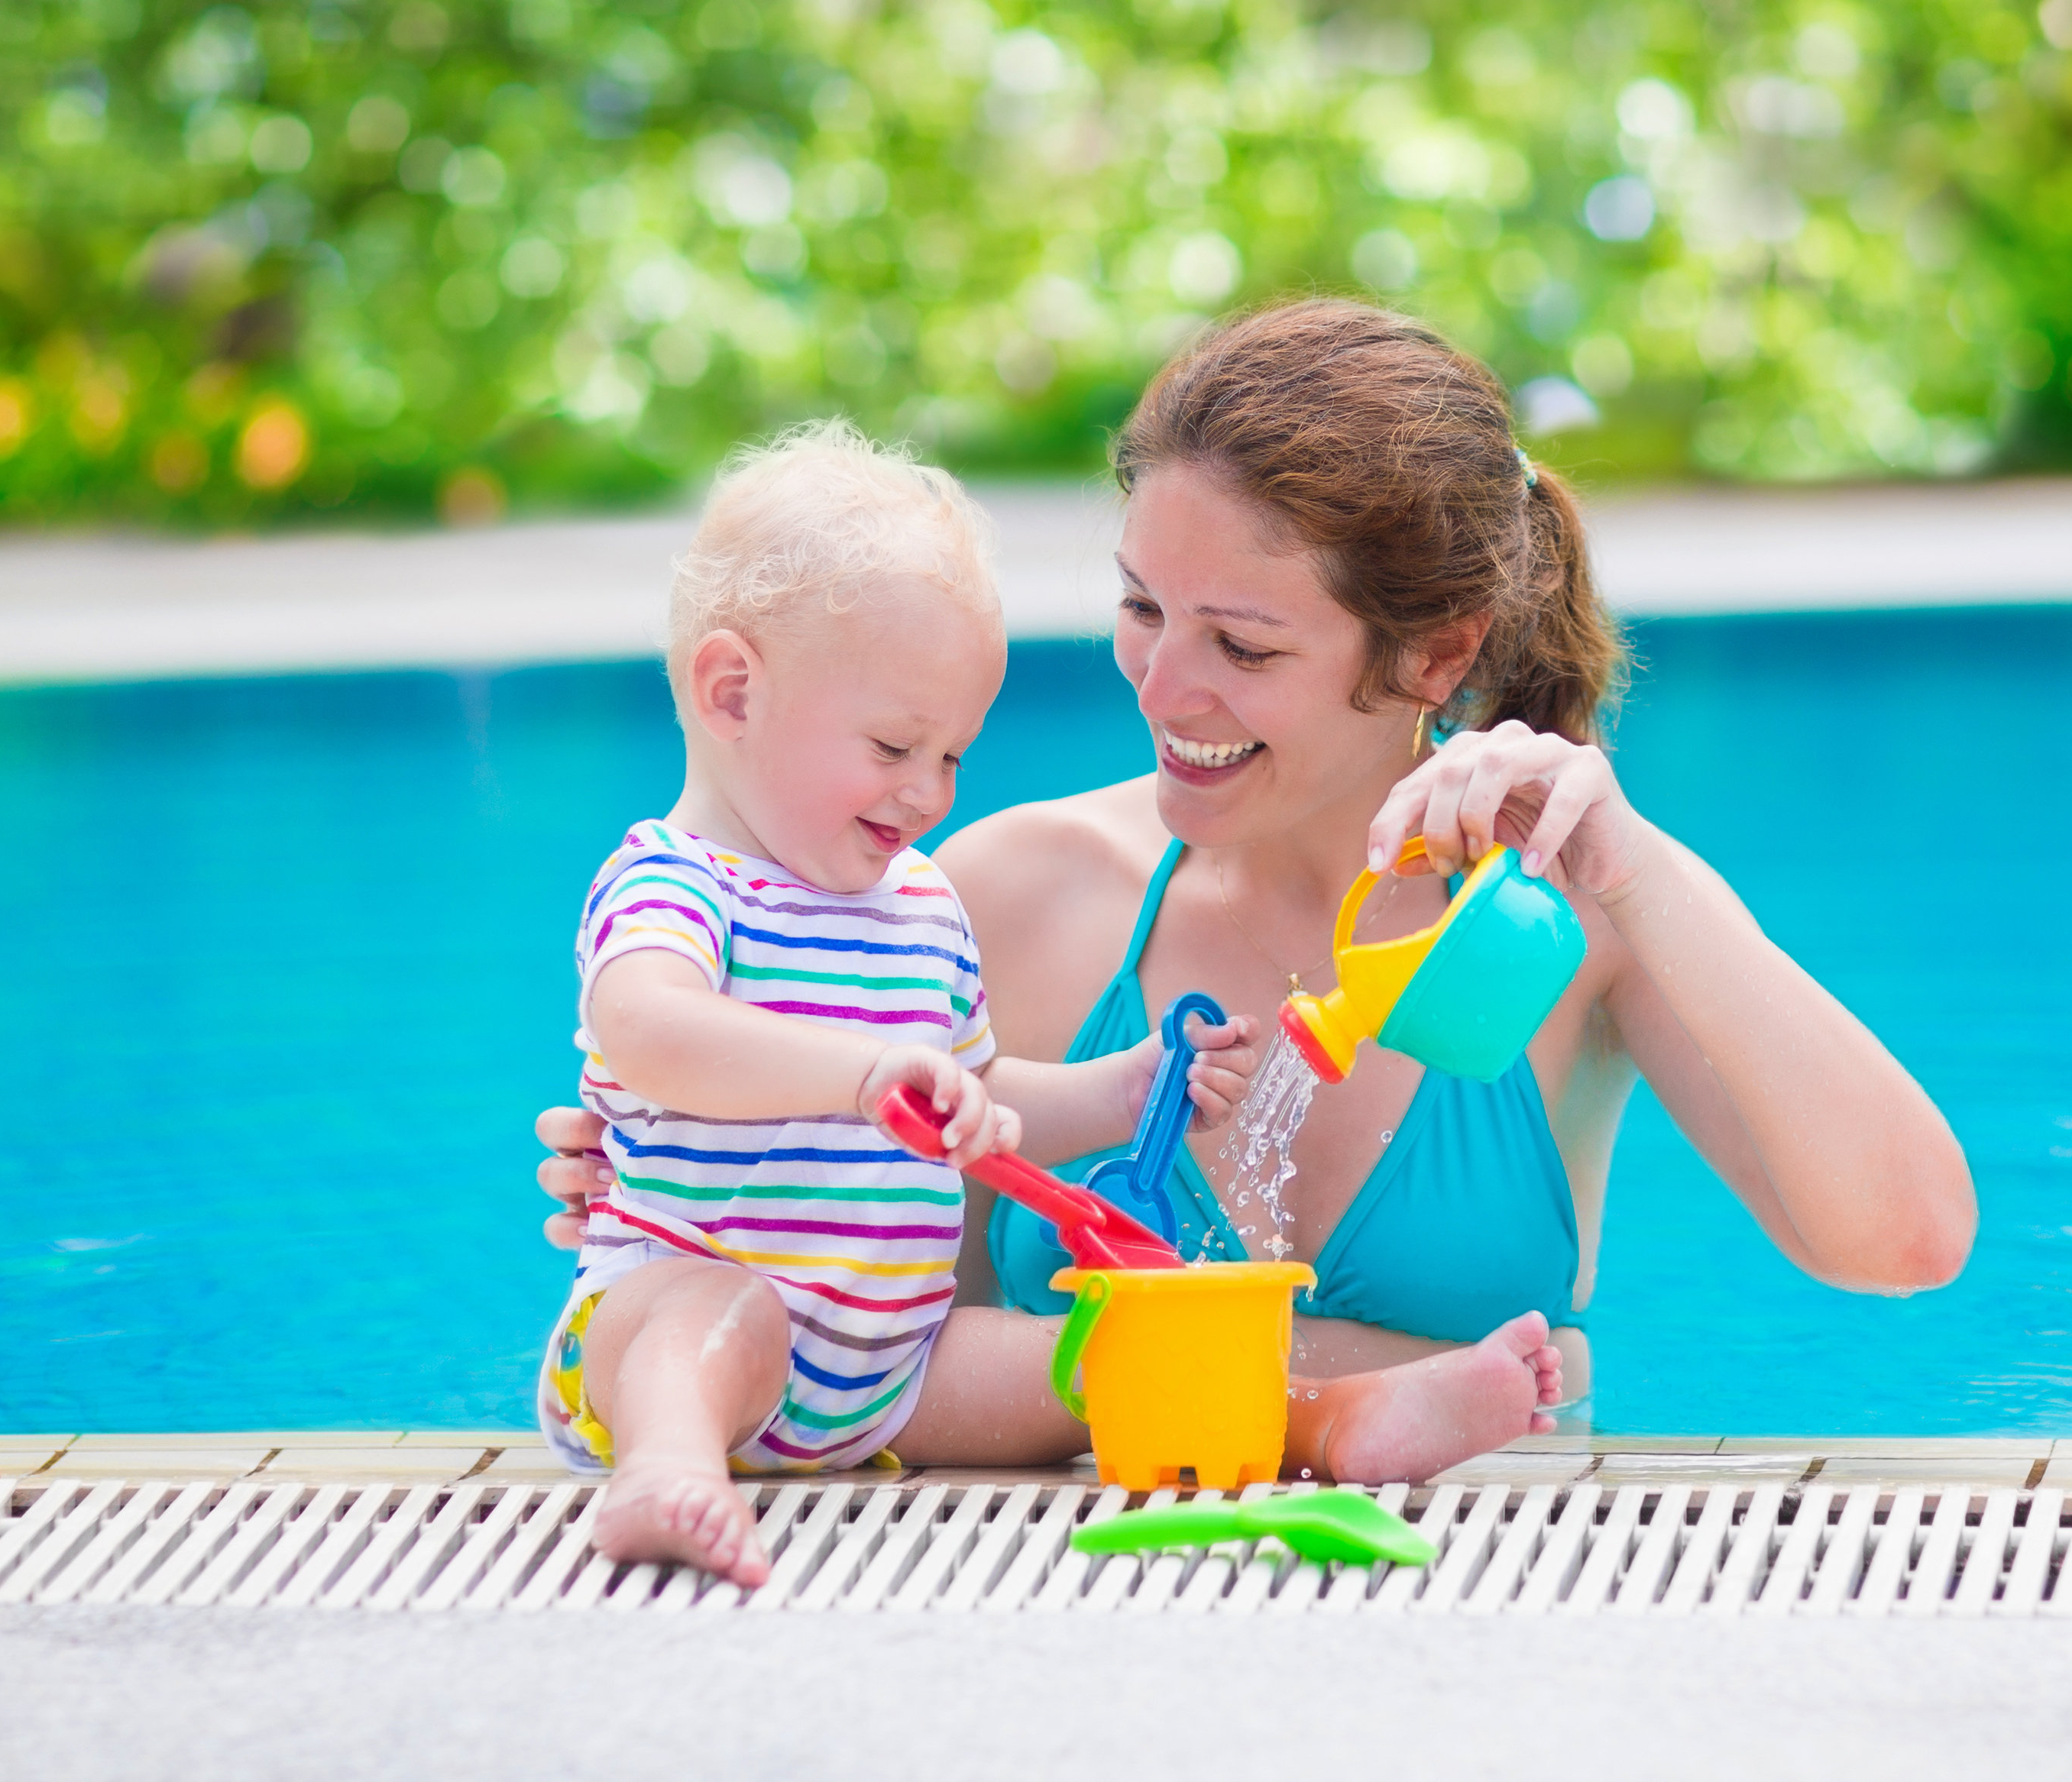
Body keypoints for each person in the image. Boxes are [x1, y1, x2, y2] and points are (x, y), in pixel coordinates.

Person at [546, 419, 1565, 1586]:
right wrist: (864, 1076)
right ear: (731, 692)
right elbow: (648, 1029)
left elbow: (985, 1096)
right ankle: (667, 1473)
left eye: (953, 757)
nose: (927, 793)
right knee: (711, 1315)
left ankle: (1328, 1422)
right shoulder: (675, 880)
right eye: (894, 746)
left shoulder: (918, 906)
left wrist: (1127, 1091)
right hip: (671, 1322)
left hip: (897, 1367)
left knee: (1104, 1355)